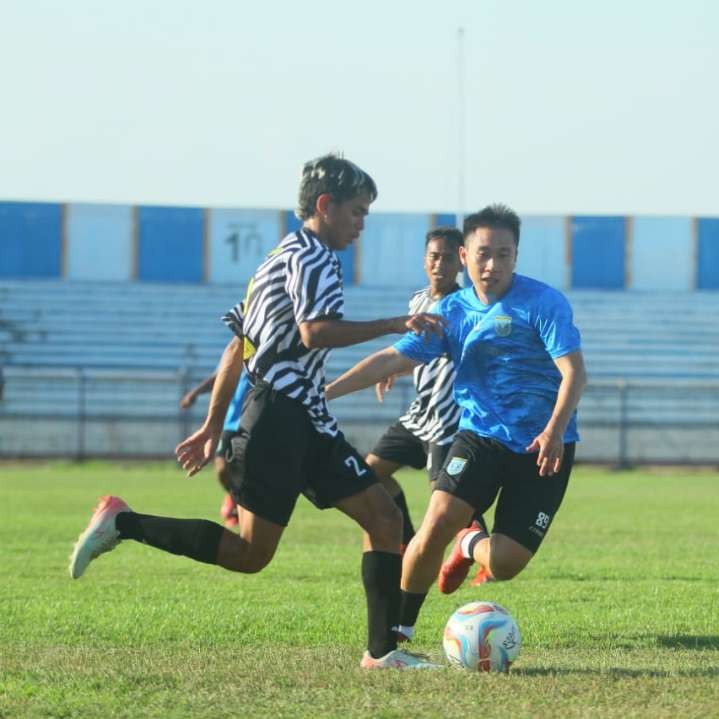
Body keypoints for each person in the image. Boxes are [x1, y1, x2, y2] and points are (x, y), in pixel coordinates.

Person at [68, 153, 444, 669]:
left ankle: (381, 652)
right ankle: (124, 523)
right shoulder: (316, 259)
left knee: (382, 514)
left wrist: (209, 424)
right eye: (357, 212)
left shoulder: (276, 258)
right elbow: (315, 331)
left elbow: (235, 348)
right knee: (251, 554)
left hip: (301, 417)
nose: (362, 225)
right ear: (325, 205)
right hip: (281, 419)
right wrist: (395, 323)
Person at [326, 203, 587, 642]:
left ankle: (469, 545)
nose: (492, 265)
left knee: (504, 564)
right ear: (464, 256)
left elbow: (574, 373)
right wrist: (325, 392)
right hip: (480, 437)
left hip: (544, 447)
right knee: (434, 525)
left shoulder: (543, 303)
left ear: (516, 257)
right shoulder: (453, 312)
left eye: (504, 254)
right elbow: (392, 357)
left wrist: (555, 430)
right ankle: (396, 636)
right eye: (483, 253)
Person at [357, 226, 492, 588]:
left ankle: (474, 552)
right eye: (434, 256)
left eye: (448, 257)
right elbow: (412, 350)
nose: (440, 264)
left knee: (446, 506)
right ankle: (404, 537)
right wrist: (397, 369)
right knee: (369, 476)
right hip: (419, 416)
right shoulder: (417, 302)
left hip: (449, 420)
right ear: (424, 260)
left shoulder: (466, 306)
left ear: (461, 261)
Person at [179, 369, 253, 528]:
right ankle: (234, 498)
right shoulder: (243, 348)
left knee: (251, 470)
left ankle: (243, 510)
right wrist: (196, 393)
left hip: (256, 418)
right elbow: (223, 373)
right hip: (232, 421)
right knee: (221, 467)